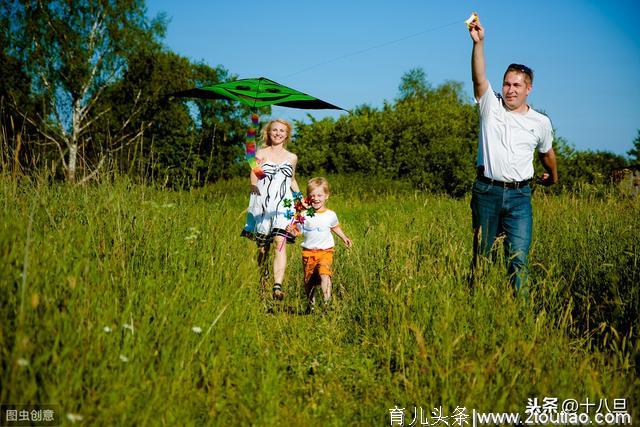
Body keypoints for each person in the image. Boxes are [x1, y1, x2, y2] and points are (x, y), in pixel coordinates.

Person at [467, 14, 558, 296]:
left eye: (517, 85)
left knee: (518, 259)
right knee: (482, 257)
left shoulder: (540, 122)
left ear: (528, 88)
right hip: (487, 192)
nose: (510, 90)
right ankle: (476, 309)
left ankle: (518, 313)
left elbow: (547, 152)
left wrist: (553, 177)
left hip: (520, 197)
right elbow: (479, 77)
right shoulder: (490, 106)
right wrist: (479, 43)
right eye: (507, 84)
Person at [241, 119, 301, 300]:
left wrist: (299, 199)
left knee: (279, 241)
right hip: (263, 204)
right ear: (269, 133)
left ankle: (277, 285)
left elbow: (291, 180)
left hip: (284, 204)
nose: (278, 133)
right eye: (274, 130)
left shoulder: (292, 157)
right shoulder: (261, 152)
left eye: (282, 131)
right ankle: (263, 279)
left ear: (287, 134)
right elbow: (254, 171)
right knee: (262, 249)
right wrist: (253, 185)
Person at [288, 177, 352, 312]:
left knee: (324, 274)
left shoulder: (330, 215)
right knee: (309, 281)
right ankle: (311, 304)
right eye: (312, 196)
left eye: (319, 195)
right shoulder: (304, 214)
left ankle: (328, 304)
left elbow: (335, 227)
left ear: (326, 196)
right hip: (308, 252)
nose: (316, 198)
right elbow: (297, 231)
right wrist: (291, 232)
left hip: (326, 251)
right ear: (308, 197)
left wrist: (344, 237)